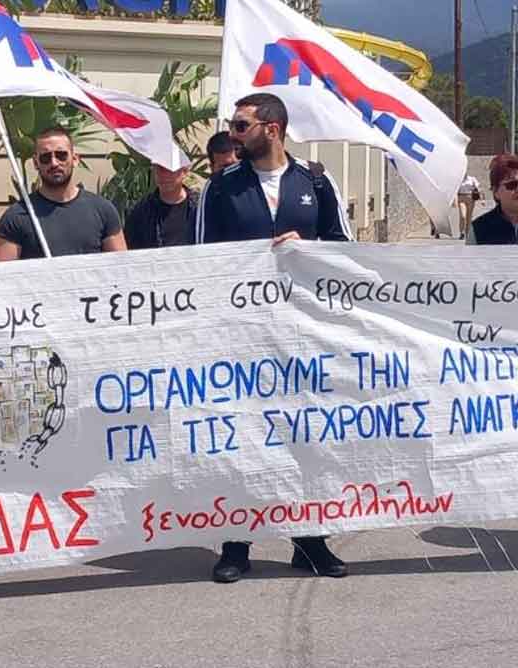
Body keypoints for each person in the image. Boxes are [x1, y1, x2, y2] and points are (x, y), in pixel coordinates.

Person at [196, 93, 351, 583]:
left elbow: (346, 250)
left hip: (303, 334)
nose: (233, 134)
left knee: (305, 436)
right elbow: (199, 261)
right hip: (243, 336)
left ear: (273, 128)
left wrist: (309, 249)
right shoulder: (220, 187)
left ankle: (310, 541)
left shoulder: (316, 181)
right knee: (242, 437)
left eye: (241, 125)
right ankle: (236, 543)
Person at [0, 127, 126, 260]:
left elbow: (122, 266)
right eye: (45, 157)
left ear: (75, 159)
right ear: (36, 163)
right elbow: (2, 272)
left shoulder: (103, 210)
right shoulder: (16, 217)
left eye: (61, 155)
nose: (54, 163)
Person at [123, 163, 198, 250]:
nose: (164, 175)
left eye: (170, 169)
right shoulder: (141, 211)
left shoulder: (199, 208)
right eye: (159, 168)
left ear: (184, 171)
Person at [455, 173, 482, 239]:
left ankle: (468, 233)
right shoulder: (458, 179)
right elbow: (455, 190)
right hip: (461, 198)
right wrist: (454, 200)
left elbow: (478, 188)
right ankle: (462, 232)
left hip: (470, 198)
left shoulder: (472, 179)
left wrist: (482, 199)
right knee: (463, 216)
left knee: (469, 217)